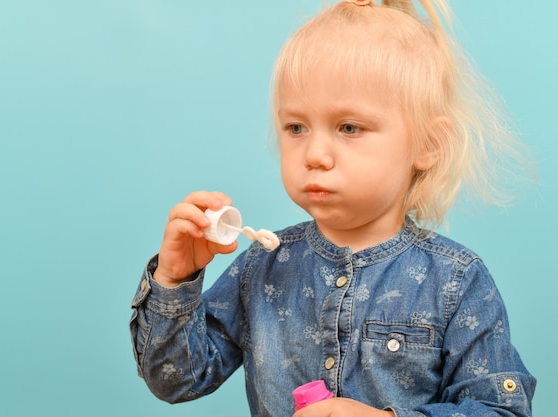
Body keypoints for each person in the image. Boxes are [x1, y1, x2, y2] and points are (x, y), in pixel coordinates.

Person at [130, 0, 537, 416]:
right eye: (296, 128)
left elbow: (500, 409)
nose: (315, 154)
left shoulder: (456, 282)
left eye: (349, 127)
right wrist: (175, 280)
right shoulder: (264, 265)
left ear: (427, 145)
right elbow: (177, 378)